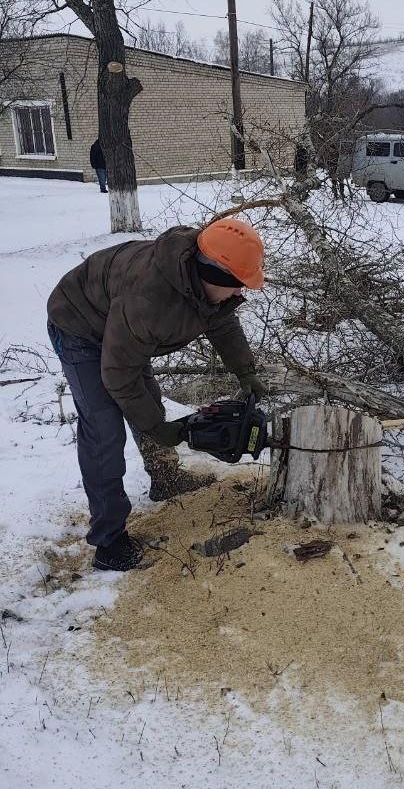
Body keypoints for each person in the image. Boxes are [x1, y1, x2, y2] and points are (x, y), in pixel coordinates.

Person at [47, 218, 268, 572]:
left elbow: (222, 321)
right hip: (79, 325)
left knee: (146, 399)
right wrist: (155, 427)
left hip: (123, 331)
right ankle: (108, 540)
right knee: (104, 429)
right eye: (237, 285)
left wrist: (245, 371)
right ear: (214, 274)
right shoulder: (149, 300)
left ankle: (165, 478)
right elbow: (119, 375)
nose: (239, 293)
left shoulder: (202, 282)